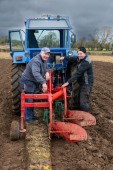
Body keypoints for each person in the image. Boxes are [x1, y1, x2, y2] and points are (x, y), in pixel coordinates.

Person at [20, 47, 50, 122]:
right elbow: (36, 73)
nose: (46, 55)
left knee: (32, 98)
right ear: (41, 53)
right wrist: (43, 83)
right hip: (28, 81)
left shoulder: (44, 60)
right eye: (45, 54)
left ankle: (31, 116)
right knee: (29, 99)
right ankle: (28, 119)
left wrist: (47, 72)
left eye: (48, 54)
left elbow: (46, 67)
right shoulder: (36, 61)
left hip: (34, 81)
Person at [61, 47, 94, 112]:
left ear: (85, 53)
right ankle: (77, 114)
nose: (79, 55)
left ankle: (86, 117)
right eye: (78, 54)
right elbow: (73, 58)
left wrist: (68, 82)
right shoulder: (79, 58)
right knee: (76, 100)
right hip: (80, 83)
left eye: (81, 54)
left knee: (83, 102)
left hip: (86, 84)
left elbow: (77, 73)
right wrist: (64, 58)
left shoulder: (86, 62)